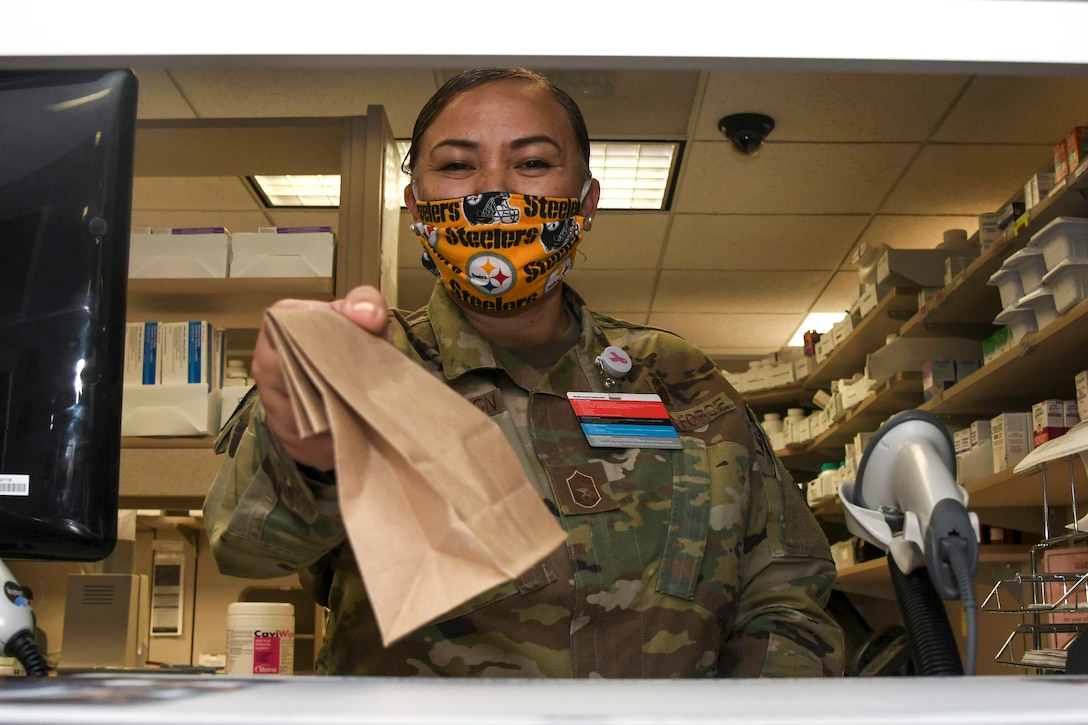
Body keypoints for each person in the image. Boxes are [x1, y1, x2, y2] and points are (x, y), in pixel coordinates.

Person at [204, 67, 845, 678]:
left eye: (533, 163)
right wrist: (308, 458)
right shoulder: (365, 363)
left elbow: (786, 593)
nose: (494, 194)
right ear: (416, 204)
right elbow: (247, 550)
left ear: (586, 201)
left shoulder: (677, 377)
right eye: (457, 165)